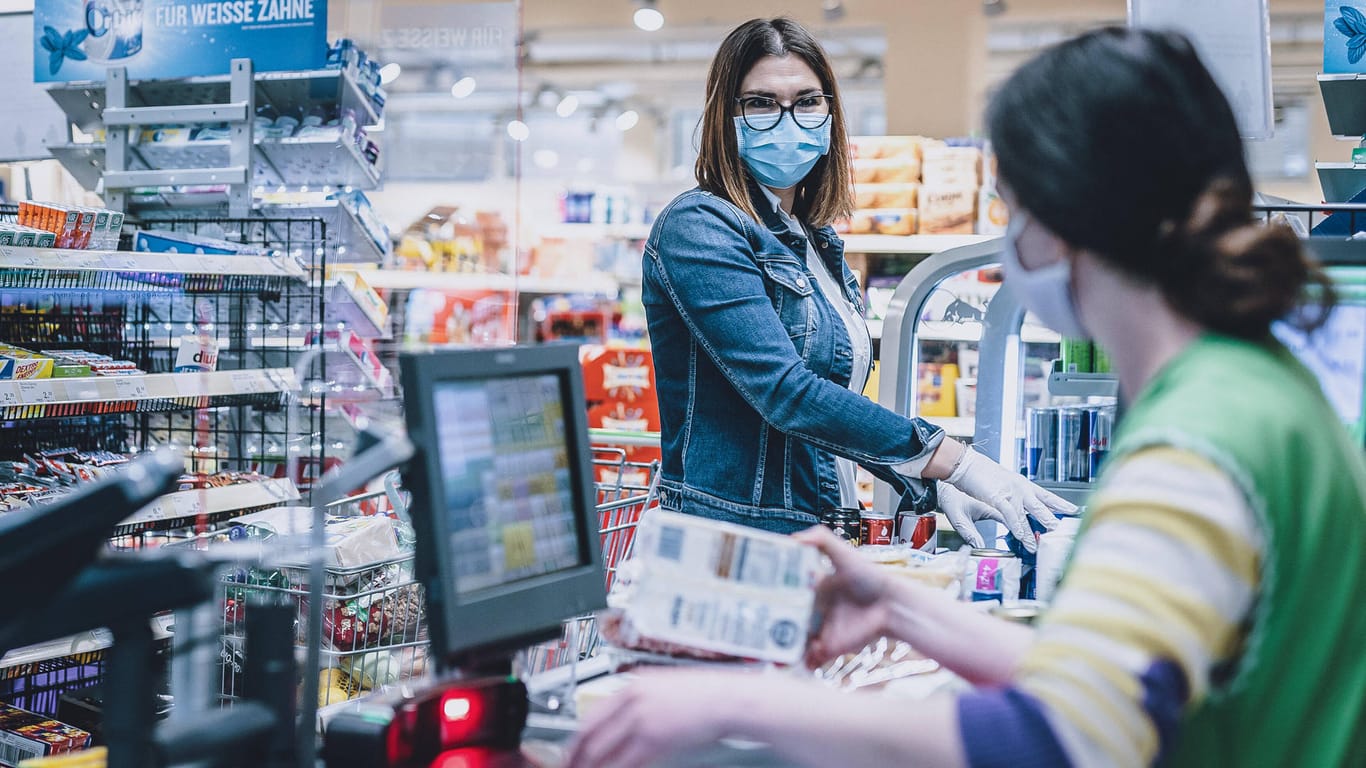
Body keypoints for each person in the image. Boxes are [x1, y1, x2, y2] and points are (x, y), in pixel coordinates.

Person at [569, 27, 1366, 768]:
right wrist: (903, 605)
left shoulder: (1192, 445)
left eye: (1010, 207)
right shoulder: (1261, 390)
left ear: (1061, 221)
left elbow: (1059, 735)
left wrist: (741, 701)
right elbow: (1115, 683)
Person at [642, 16, 1071, 547]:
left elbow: (829, 408)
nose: (786, 120)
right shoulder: (700, 228)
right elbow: (788, 395)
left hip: (814, 532)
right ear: (723, 118)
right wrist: (953, 461)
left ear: (829, 114)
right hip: (733, 545)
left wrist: (925, 482)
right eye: (759, 103)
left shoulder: (816, 240)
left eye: (806, 101)